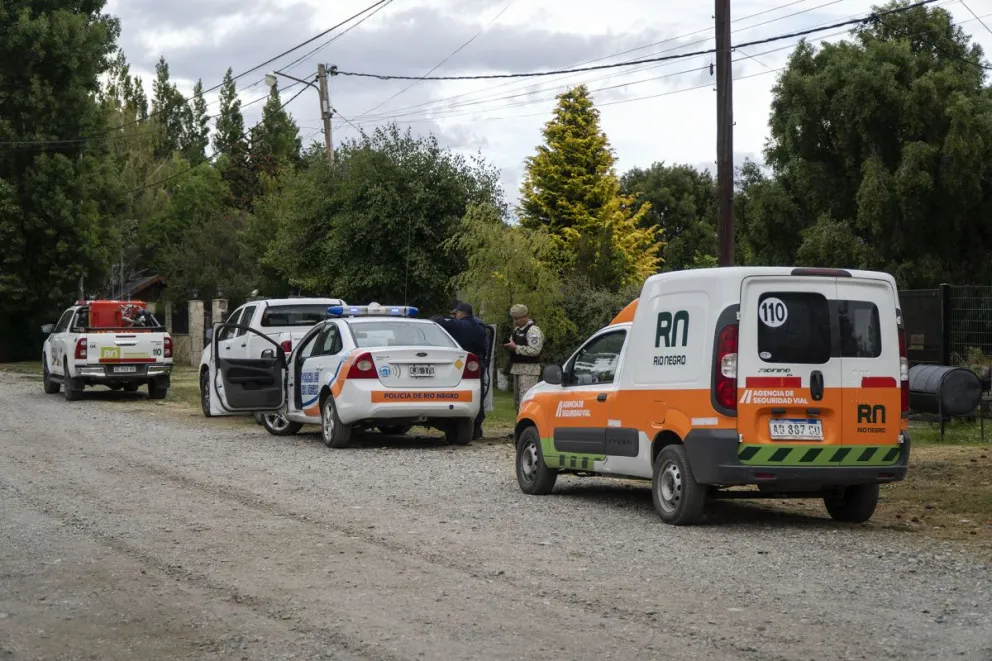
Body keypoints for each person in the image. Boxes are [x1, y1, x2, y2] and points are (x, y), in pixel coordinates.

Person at [432, 301, 489, 440]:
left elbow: (436, 321)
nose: (455, 315)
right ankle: (476, 428)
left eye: (456, 313)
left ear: (461, 313)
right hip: (476, 364)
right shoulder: (480, 327)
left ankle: (454, 423)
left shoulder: (457, 324)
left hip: (459, 363)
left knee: (453, 392)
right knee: (476, 395)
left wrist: (447, 317)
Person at [504, 304, 544, 411]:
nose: (515, 321)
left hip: (529, 370)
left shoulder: (533, 331)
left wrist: (516, 348)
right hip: (517, 368)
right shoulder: (517, 330)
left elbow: (535, 350)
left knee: (526, 401)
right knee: (518, 403)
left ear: (524, 316)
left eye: (517, 319)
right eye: (514, 319)